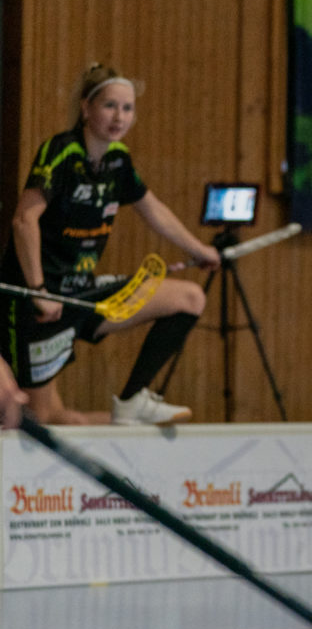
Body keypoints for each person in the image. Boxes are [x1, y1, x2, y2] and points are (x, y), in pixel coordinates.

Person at [1, 63, 220, 425]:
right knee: (44, 419)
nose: (120, 117)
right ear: (86, 108)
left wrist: (201, 251)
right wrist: (39, 290)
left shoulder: (118, 159)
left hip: (85, 296)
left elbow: (153, 210)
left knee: (189, 298)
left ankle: (132, 400)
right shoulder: (61, 152)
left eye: (127, 108)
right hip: (40, 306)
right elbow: (24, 220)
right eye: (110, 106)